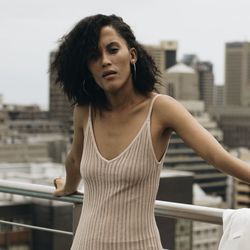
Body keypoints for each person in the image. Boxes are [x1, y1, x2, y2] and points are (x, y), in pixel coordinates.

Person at [52, 14, 250, 250]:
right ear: (88, 67)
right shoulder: (85, 111)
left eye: (113, 50)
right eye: (94, 56)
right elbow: (75, 159)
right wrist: (69, 187)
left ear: (132, 55)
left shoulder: (160, 109)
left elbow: (218, 157)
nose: (105, 61)